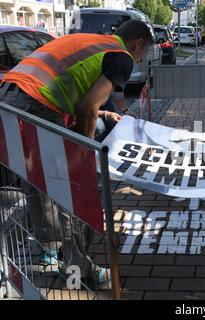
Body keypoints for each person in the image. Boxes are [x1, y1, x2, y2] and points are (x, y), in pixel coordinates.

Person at [0, 19, 152, 288]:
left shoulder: (91, 41)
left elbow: (72, 88)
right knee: (71, 188)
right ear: (138, 44)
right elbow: (86, 109)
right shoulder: (121, 57)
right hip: (37, 104)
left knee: (37, 178)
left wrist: (100, 112)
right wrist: (83, 156)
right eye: (143, 53)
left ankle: (53, 247)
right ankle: (79, 270)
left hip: (9, 95)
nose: (139, 61)